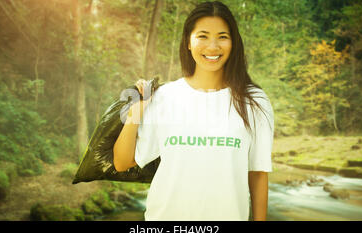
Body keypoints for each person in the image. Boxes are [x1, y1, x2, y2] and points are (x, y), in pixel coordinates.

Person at [113, 1, 274, 221]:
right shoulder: (164, 96)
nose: (212, 46)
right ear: (188, 42)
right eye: (203, 36)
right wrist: (136, 110)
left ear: (234, 43)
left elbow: (257, 174)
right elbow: (122, 162)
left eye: (223, 37)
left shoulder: (254, 101)